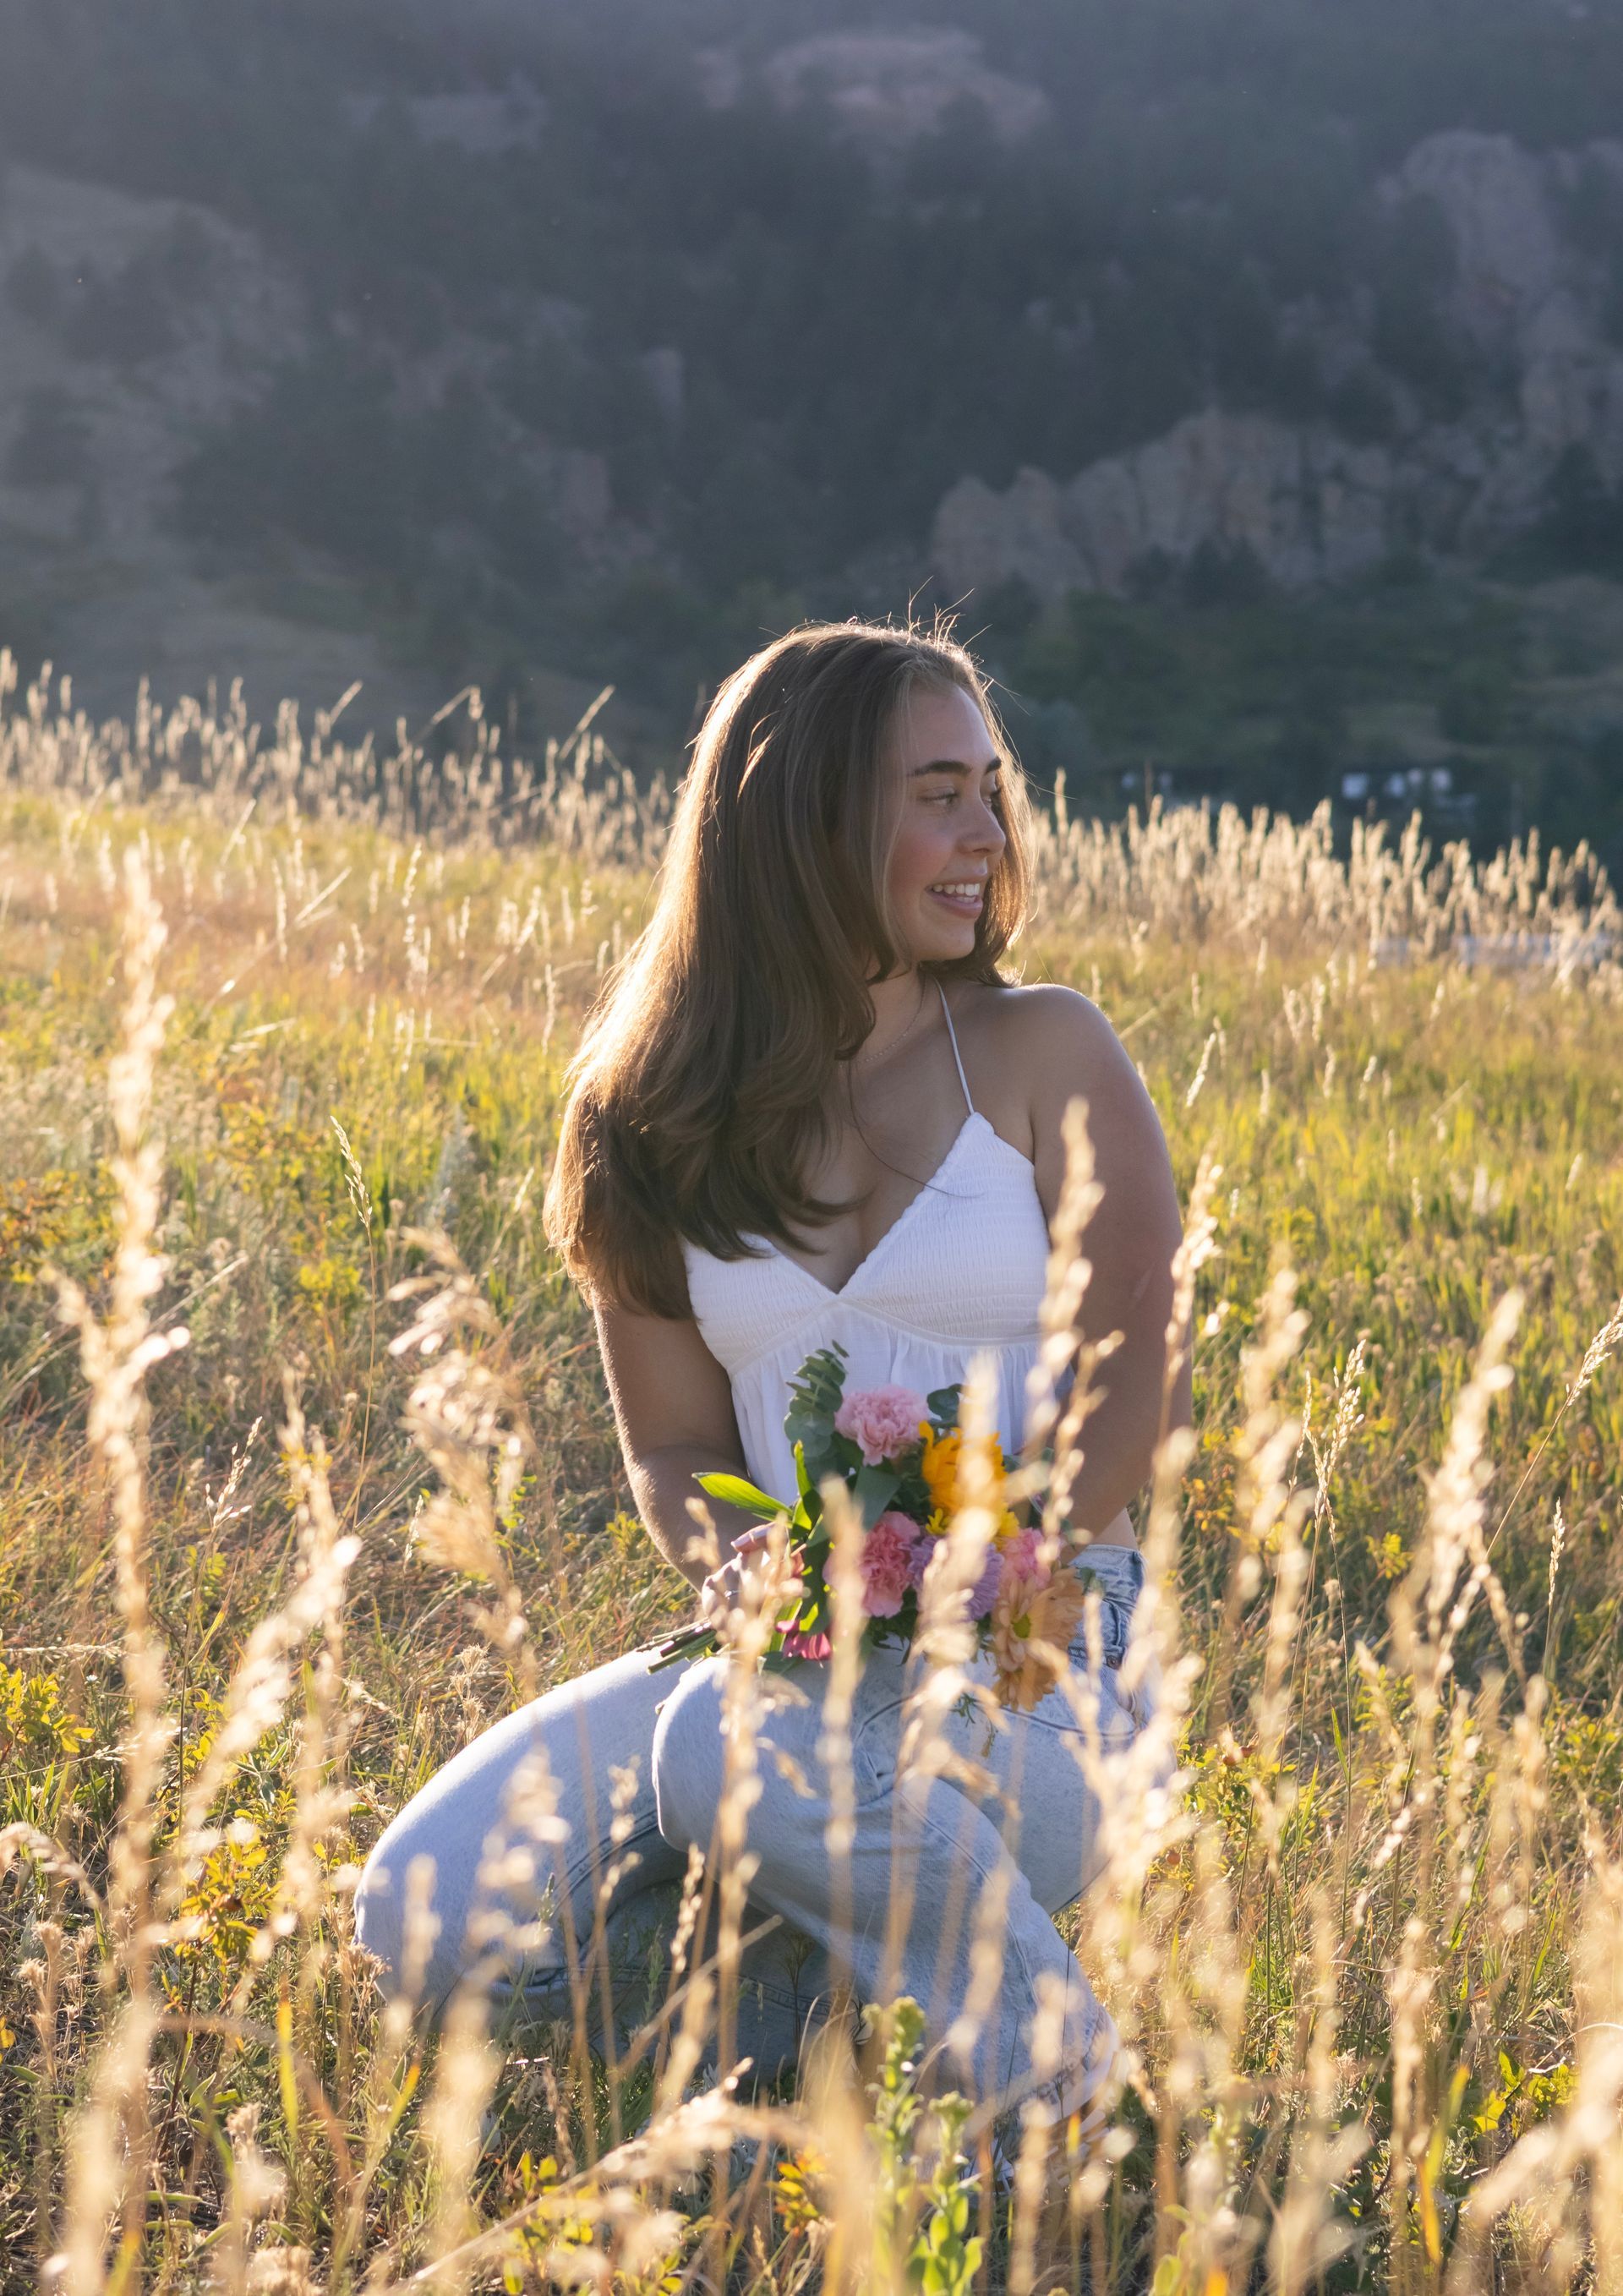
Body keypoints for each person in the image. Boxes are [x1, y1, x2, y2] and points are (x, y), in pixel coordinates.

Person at [352, 619, 1189, 2154]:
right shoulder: (646, 1116)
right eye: (939, 793)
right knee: (413, 1911)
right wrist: (748, 1561)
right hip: (782, 1641)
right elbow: (674, 1453)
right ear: (805, 816)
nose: (987, 835)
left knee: (714, 1752)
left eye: (991, 793)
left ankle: (1062, 2092)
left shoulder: (1042, 1048)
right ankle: (771, 2019)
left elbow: (1140, 1370)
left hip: (1049, 1642)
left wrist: (995, 1564)